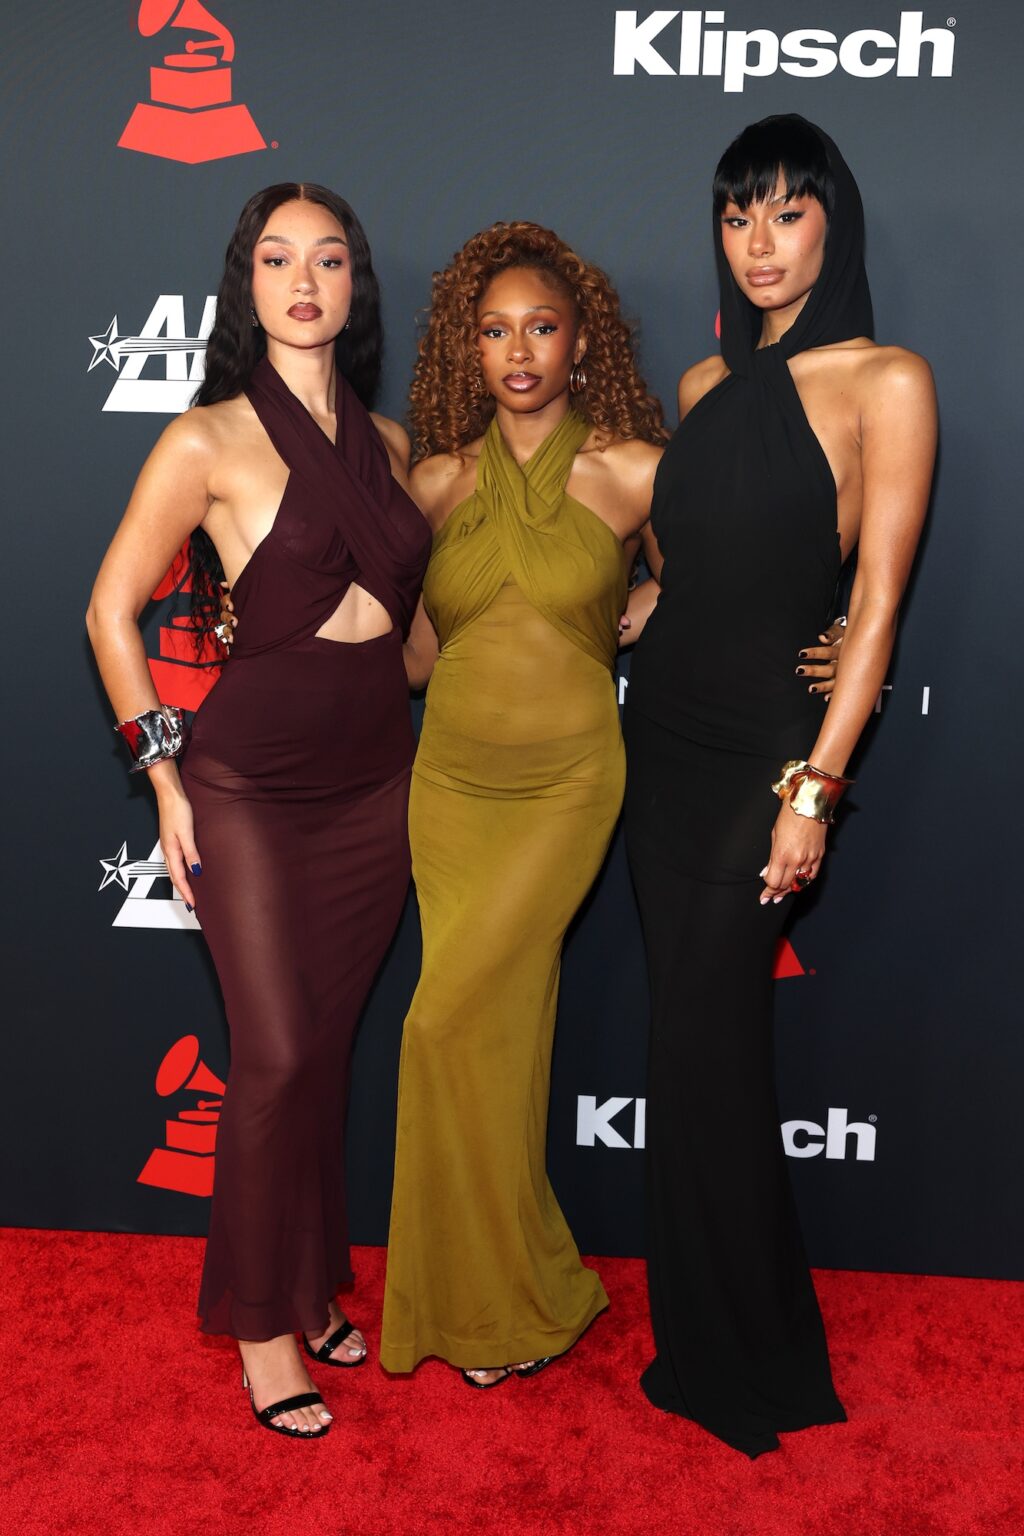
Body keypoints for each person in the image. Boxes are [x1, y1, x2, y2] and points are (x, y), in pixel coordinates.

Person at [86, 183, 431, 1438]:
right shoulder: (207, 441)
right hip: (244, 785)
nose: (305, 280)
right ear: (247, 285)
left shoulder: (392, 451)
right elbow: (107, 609)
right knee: (276, 1054)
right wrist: (165, 775)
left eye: (329, 258)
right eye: (277, 258)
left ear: (355, 285)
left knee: (323, 1058)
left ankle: (317, 1277)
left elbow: (413, 646)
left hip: (375, 787)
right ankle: (262, 1324)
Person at [622, 116, 936, 1457]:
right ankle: (703, 1337)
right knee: (689, 1054)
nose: (759, 241)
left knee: (712, 1043)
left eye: (787, 213)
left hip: (766, 752)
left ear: (834, 224)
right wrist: (629, 603)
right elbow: (691, 572)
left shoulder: (889, 382)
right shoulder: (699, 385)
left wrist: (815, 789)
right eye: (738, 215)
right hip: (667, 745)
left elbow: (874, 610)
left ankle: (753, 1356)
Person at [377, 222, 668, 1385]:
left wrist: (645, 607)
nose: (517, 349)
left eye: (540, 326)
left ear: (580, 340)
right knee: (486, 1038)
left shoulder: (638, 471)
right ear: (469, 345)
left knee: (441, 1022)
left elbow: (711, 582)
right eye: (493, 330)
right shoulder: (436, 481)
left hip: (565, 785)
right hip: (447, 785)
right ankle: (491, 1295)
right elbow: (407, 658)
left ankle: (505, 1297)